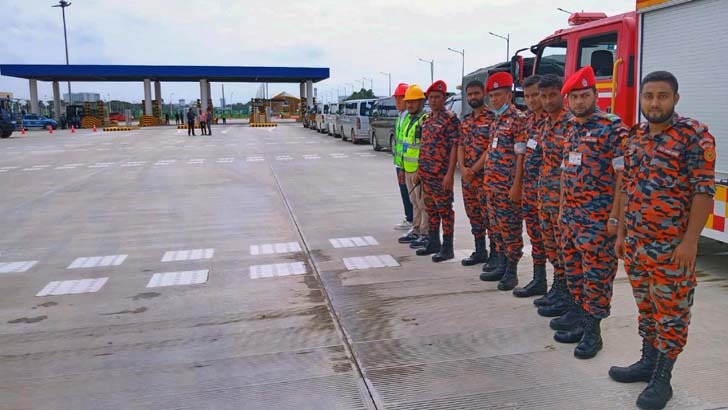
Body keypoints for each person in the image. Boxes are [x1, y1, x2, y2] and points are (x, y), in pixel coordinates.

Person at [610, 71, 715, 410]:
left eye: (662, 96)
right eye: (649, 96)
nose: (654, 102)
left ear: (675, 99)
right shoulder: (635, 136)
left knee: (672, 313)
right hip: (638, 245)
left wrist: (690, 243)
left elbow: (703, 192)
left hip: (672, 249)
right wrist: (623, 232)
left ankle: (663, 379)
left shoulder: (694, 136)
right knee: (647, 309)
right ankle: (647, 362)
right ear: (641, 99)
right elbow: (627, 187)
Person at [554, 65, 627, 360]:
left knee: (596, 278)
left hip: (597, 222)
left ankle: (593, 334)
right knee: (574, 275)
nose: (579, 101)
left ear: (595, 95)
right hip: (571, 218)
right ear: (568, 100)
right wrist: (561, 208)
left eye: (585, 95)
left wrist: (614, 217)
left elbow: (623, 177)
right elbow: (565, 171)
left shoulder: (612, 128)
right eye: (575, 97)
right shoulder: (570, 128)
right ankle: (581, 323)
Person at [479, 72, 527, 291]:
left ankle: (512, 271)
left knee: (510, 230)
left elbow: (521, 155)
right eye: (492, 95)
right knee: (496, 228)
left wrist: (517, 185)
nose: (494, 99)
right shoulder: (496, 120)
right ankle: (502, 263)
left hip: (508, 187)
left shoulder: (518, 119)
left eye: (498, 95)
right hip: (492, 186)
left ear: (509, 95)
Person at [532, 75, 572, 320]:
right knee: (552, 249)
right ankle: (558, 289)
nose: (546, 100)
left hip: (563, 201)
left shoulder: (570, 124)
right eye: (543, 96)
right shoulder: (544, 125)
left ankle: (568, 298)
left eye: (551, 95)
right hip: (545, 198)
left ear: (562, 95)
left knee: (566, 252)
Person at [415, 80, 460, 262]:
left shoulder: (450, 119)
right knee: (431, 209)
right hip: (427, 175)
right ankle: (434, 242)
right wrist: (420, 168)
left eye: (437, 97)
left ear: (444, 98)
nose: (433, 101)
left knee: (445, 212)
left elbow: (455, 147)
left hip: (441, 175)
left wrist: (449, 174)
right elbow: (423, 146)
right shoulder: (427, 119)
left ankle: (447, 247)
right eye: (431, 97)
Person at [513, 75, 549, 297]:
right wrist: (517, 183)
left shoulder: (556, 121)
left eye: (536, 95)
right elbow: (520, 153)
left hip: (549, 192)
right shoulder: (525, 121)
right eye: (527, 96)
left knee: (552, 241)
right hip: (528, 188)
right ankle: (539, 279)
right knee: (535, 236)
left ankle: (560, 287)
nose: (532, 100)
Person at [457, 80, 493, 267]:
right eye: (469, 94)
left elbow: (490, 148)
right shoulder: (466, 120)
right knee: (474, 215)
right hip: (468, 178)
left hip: (485, 177)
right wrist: (462, 168)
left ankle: (495, 255)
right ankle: (480, 251)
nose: (473, 97)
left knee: (489, 218)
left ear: (483, 94)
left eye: (476, 93)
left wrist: (474, 169)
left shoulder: (492, 118)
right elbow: (460, 145)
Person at [400, 85, 429, 249]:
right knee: (415, 203)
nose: (409, 105)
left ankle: (425, 233)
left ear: (421, 102)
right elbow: (406, 146)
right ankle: (416, 229)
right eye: (408, 102)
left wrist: (420, 169)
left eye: (413, 102)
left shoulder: (423, 120)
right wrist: (403, 168)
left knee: (423, 203)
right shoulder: (408, 120)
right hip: (408, 168)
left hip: (418, 170)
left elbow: (424, 147)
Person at [391, 83, 416, 238]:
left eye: (400, 99)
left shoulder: (409, 117)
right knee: (404, 192)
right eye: (397, 99)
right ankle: (409, 217)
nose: (398, 103)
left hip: (409, 163)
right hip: (400, 162)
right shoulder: (400, 117)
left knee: (412, 194)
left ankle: (413, 220)